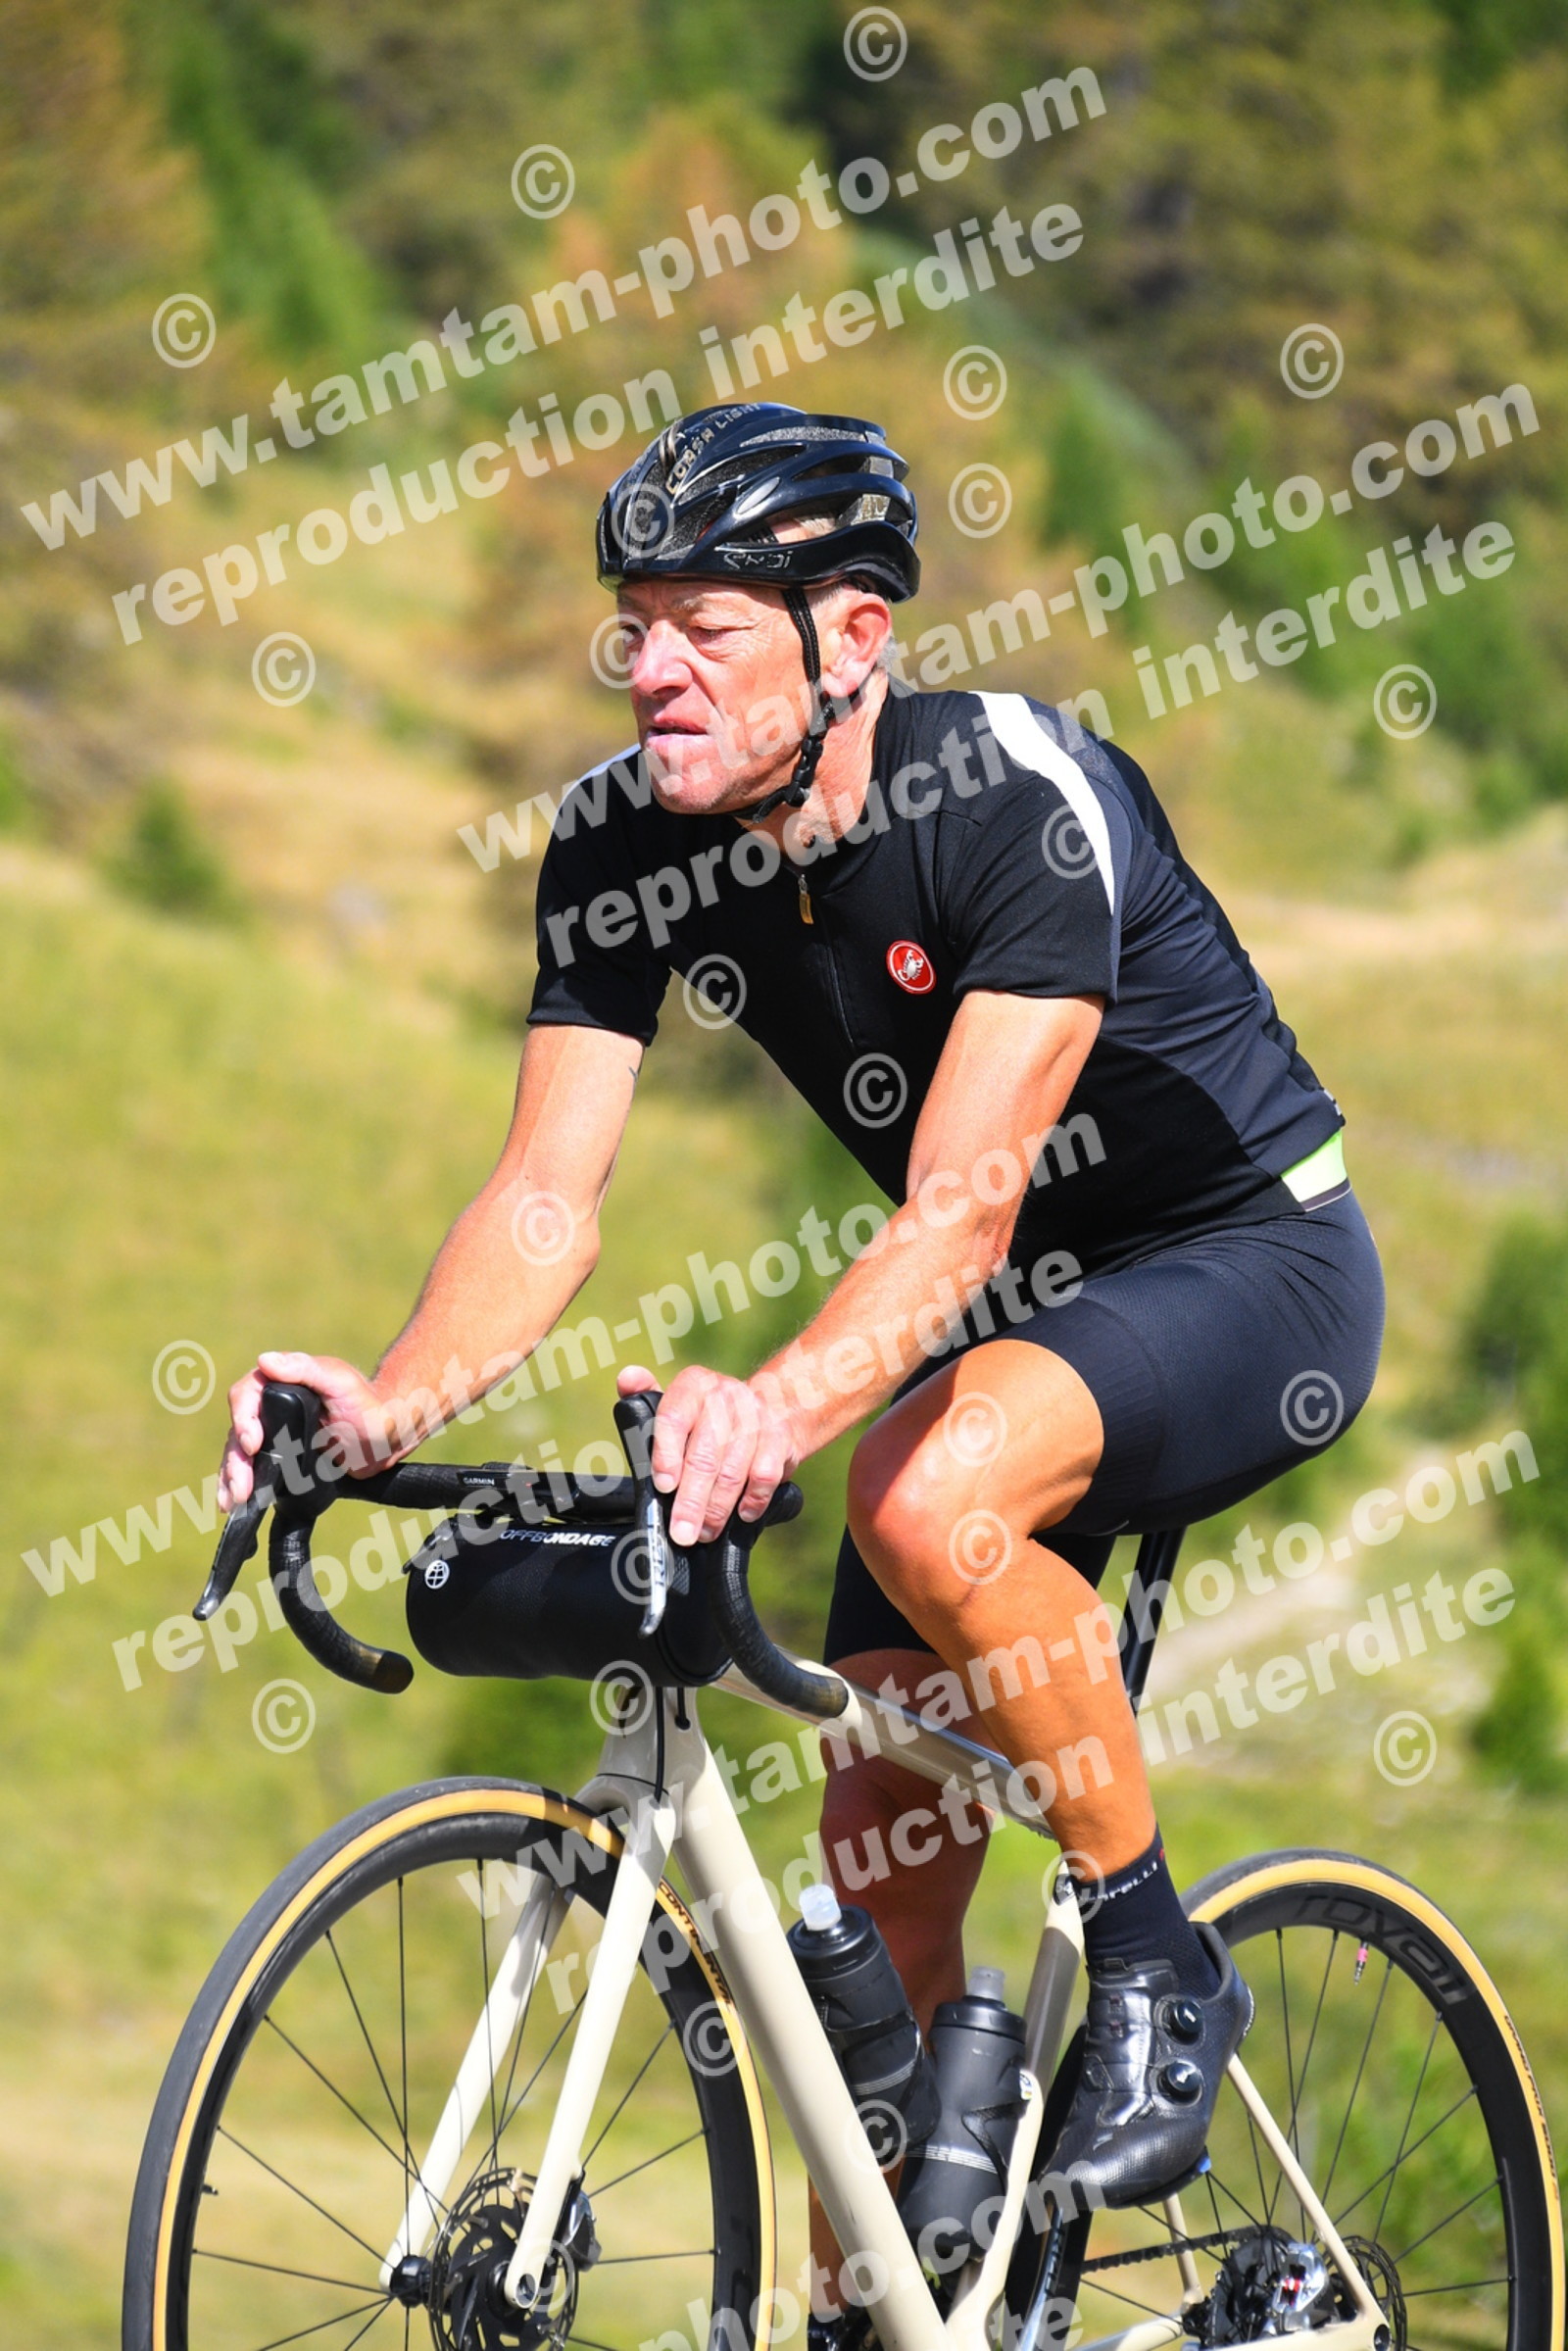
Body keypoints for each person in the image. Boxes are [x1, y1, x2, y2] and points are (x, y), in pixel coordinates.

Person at [220, 402, 1383, 2282]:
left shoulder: (1012, 798)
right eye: (635, 624)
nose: (650, 669)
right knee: (882, 1884)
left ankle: (1156, 1953)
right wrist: (387, 1403)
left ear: (853, 638)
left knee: (921, 1494)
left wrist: (770, 1406)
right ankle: (884, 2308)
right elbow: (545, 1197)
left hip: (1244, 1259)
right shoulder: (621, 841)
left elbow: (963, 1216)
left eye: (706, 626)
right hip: (994, 1327)